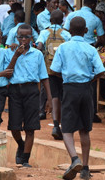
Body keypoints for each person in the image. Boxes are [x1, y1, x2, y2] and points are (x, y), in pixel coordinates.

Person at [50, 17, 105, 180]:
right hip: (86, 89)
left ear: (68, 30)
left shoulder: (62, 48)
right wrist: (90, 79)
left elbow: (54, 70)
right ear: (86, 31)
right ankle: (86, 168)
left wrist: (67, 77)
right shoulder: (90, 49)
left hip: (69, 88)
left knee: (66, 128)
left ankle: (74, 158)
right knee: (85, 129)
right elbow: (101, 71)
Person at [5, 24, 53, 168]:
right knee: (14, 126)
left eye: (27, 36)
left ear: (32, 37)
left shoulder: (37, 54)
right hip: (15, 90)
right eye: (21, 37)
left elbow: (44, 77)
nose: (24, 39)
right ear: (16, 37)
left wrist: (49, 98)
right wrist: (16, 55)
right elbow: (7, 71)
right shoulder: (9, 52)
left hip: (32, 91)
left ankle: (25, 159)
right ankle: (21, 144)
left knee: (30, 127)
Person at [63, 0, 105, 123]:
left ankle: (71, 111)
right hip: (88, 49)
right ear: (93, 5)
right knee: (89, 82)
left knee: (70, 78)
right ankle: (90, 113)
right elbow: (102, 39)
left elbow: (65, 32)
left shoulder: (71, 15)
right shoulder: (96, 19)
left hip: (70, 48)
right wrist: (94, 44)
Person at [36, 10, 71, 140]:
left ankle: (56, 124)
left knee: (54, 96)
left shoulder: (44, 33)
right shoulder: (66, 34)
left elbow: (39, 47)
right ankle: (65, 125)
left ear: (50, 20)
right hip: (64, 71)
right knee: (64, 97)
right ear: (62, 20)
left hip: (50, 70)